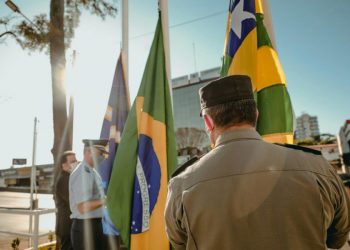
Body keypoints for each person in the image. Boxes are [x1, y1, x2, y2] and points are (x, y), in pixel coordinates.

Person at [165, 75, 350, 250]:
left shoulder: (181, 184)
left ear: (208, 121)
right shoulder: (318, 167)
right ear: (256, 113)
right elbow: (338, 237)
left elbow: (180, 244)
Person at [69, 139, 109, 250]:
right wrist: (106, 200)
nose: (103, 156)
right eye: (100, 153)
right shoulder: (83, 172)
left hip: (93, 226)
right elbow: (82, 207)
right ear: (89, 151)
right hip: (86, 228)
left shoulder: (92, 171)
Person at [54, 150, 77, 250]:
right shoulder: (64, 179)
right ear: (64, 164)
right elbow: (72, 200)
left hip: (70, 225)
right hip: (67, 226)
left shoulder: (70, 177)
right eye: (72, 161)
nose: (76, 163)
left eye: (76, 160)